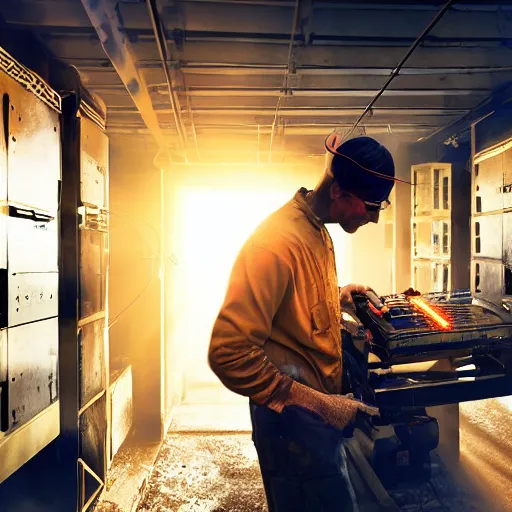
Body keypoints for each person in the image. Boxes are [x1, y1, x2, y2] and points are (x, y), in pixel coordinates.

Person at [208, 133, 399, 511]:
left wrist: (338, 295)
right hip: (292, 430)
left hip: (315, 426)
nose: (376, 218)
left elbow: (293, 302)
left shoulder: (315, 231)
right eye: (371, 206)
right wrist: (318, 403)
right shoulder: (276, 243)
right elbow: (228, 353)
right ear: (340, 192)